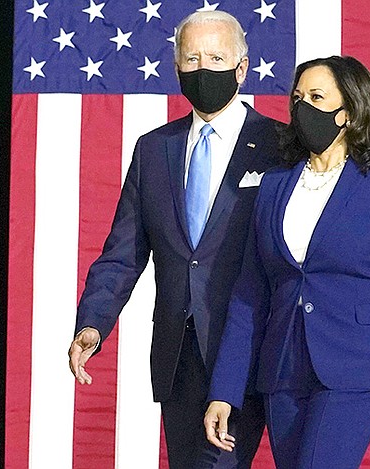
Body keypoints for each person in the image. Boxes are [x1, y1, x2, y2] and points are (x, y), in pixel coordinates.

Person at [203, 56, 370, 469]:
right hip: (283, 368)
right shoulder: (273, 185)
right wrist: (225, 391)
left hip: (358, 363)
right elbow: (250, 294)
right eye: (298, 97)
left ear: (349, 111)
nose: (303, 108)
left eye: (317, 97)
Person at [68, 10, 280, 469]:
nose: (204, 68)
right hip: (178, 357)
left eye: (217, 57)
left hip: (250, 352)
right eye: (193, 58)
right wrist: (92, 324)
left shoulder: (279, 146)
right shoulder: (152, 149)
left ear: (242, 69)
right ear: (177, 68)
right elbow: (122, 255)